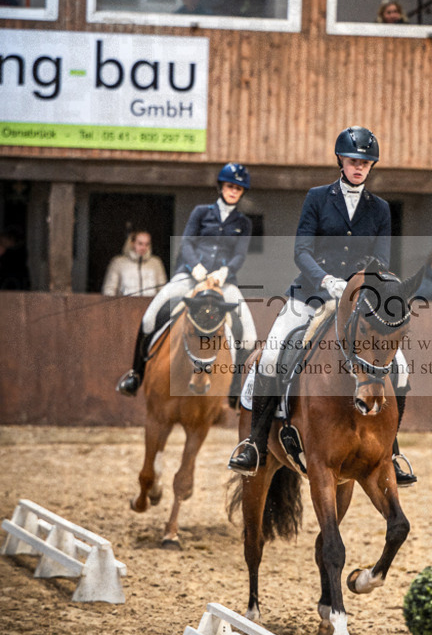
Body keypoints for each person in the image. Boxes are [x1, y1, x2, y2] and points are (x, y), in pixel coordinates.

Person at [229, 126, 416, 486]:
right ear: (340, 162)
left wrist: (361, 289)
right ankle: (254, 444)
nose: (359, 167)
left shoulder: (380, 209)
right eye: (352, 161)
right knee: (270, 356)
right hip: (311, 294)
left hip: (360, 301)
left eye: (365, 162)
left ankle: (392, 451)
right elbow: (301, 250)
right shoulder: (317, 198)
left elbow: (380, 260)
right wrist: (327, 280)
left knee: (401, 367)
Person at [116, 162, 256, 405]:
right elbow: (188, 243)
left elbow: (240, 255)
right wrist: (196, 267)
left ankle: (234, 390)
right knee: (150, 317)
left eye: (239, 189)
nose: (234, 191)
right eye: (230, 186)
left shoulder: (243, 223)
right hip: (191, 276)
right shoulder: (201, 212)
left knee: (250, 336)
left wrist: (225, 271)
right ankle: (135, 375)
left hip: (223, 283)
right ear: (221, 186)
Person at [102, 230, 167, 298]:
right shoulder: (118, 263)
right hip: (124, 305)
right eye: (140, 243)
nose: (143, 248)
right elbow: (109, 290)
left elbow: (163, 290)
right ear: (132, 243)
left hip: (151, 306)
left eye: (147, 244)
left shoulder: (156, 263)